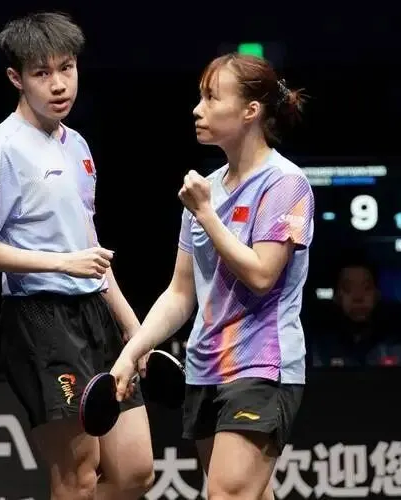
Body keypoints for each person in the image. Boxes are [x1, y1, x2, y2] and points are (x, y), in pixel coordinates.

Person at [0, 12, 153, 500]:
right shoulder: (2, 150)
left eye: (66, 68)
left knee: (135, 472)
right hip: (40, 319)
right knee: (78, 476)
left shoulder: (78, 146)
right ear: (16, 78)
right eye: (42, 73)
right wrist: (60, 262)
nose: (59, 84)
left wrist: (134, 329)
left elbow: (90, 247)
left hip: (94, 313)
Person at [110, 53, 313, 500]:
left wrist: (206, 213)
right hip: (205, 368)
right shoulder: (206, 187)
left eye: (211, 98)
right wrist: (133, 351)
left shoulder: (285, 184)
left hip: (262, 364)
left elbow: (262, 275)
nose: (197, 109)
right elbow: (181, 293)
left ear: (250, 111)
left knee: (227, 494)